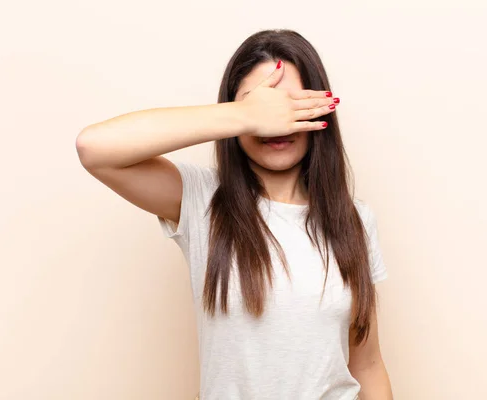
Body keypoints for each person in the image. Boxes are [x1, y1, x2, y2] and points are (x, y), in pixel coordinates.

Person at [76, 29, 393, 400]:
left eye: (291, 104)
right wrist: (244, 115)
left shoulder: (353, 219)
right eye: (262, 106)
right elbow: (94, 147)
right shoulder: (203, 200)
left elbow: (367, 365)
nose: (277, 121)